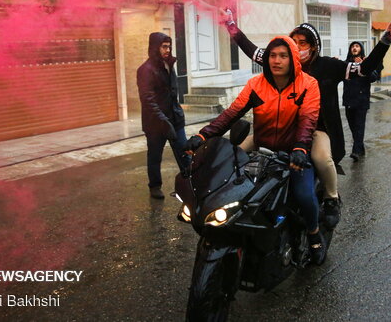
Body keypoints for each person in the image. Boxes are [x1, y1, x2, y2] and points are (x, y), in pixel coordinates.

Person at [221, 10, 391, 229]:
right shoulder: (282, 61)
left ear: (314, 46)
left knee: (323, 158)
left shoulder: (329, 66)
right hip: (280, 128)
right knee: (238, 152)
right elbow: (250, 49)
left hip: (317, 130)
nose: (296, 47)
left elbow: (364, 68)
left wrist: (385, 41)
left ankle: (331, 198)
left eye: (302, 43)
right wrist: (230, 23)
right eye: (293, 42)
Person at [184, 36, 326, 263]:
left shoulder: (308, 84)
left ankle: (313, 234)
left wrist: (300, 148)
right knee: (234, 186)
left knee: (304, 195)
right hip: (262, 149)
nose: (276, 61)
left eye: (283, 56)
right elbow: (231, 114)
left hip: (294, 154)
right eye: (272, 55)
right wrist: (203, 135)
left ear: (293, 59)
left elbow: (308, 120)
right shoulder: (256, 84)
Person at [137, 32, 190, 199]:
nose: (168, 50)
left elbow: (173, 93)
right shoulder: (145, 70)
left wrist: (177, 114)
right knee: (154, 156)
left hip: (175, 119)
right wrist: (163, 121)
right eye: (164, 46)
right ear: (155, 47)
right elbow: (148, 100)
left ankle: (190, 184)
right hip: (155, 123)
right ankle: (155, 186)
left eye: (169, 46)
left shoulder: (169, 65)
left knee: (184, 152)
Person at [343, 41, 382, 161]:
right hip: (349, 99)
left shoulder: (366, 63)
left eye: (357, 46)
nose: (354, 48)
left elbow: (374, 78)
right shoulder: (345, 64)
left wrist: (365, 66)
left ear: (361, 49)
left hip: (361, 100)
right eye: (352, 46)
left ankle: (355, 151)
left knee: (359, 126)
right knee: (353, 127)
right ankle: (360, 147)